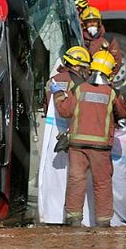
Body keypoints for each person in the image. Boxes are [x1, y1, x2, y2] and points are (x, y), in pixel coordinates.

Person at [55, 51, 126, 227]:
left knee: (76, 180)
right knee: (102, 183)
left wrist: (58, 95)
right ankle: (103, 222)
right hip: (100, 148)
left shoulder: (79, 89)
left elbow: (65, 111)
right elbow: (124, 113)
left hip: (77, 145)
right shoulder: (112, 93)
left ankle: (73, 218)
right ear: (109, 71)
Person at [40, 46, 90, 224]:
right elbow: (74, 109)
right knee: (74, 175)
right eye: (83, 66)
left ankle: (51, 213)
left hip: (51, 131)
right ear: (76, 65)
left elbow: (47, 105)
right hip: (73, 132)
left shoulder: (53, 80)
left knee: (52, 175)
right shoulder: (77, 83)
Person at [79, 6, 122, 77]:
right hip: (86, 78)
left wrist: (110, 76)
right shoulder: (80, 40)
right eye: (89, 22)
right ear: (84, 25)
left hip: (104, 77)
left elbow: (117, 61)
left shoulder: (109, 39)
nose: (92, 24)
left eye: (94, 22)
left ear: (99, 23)